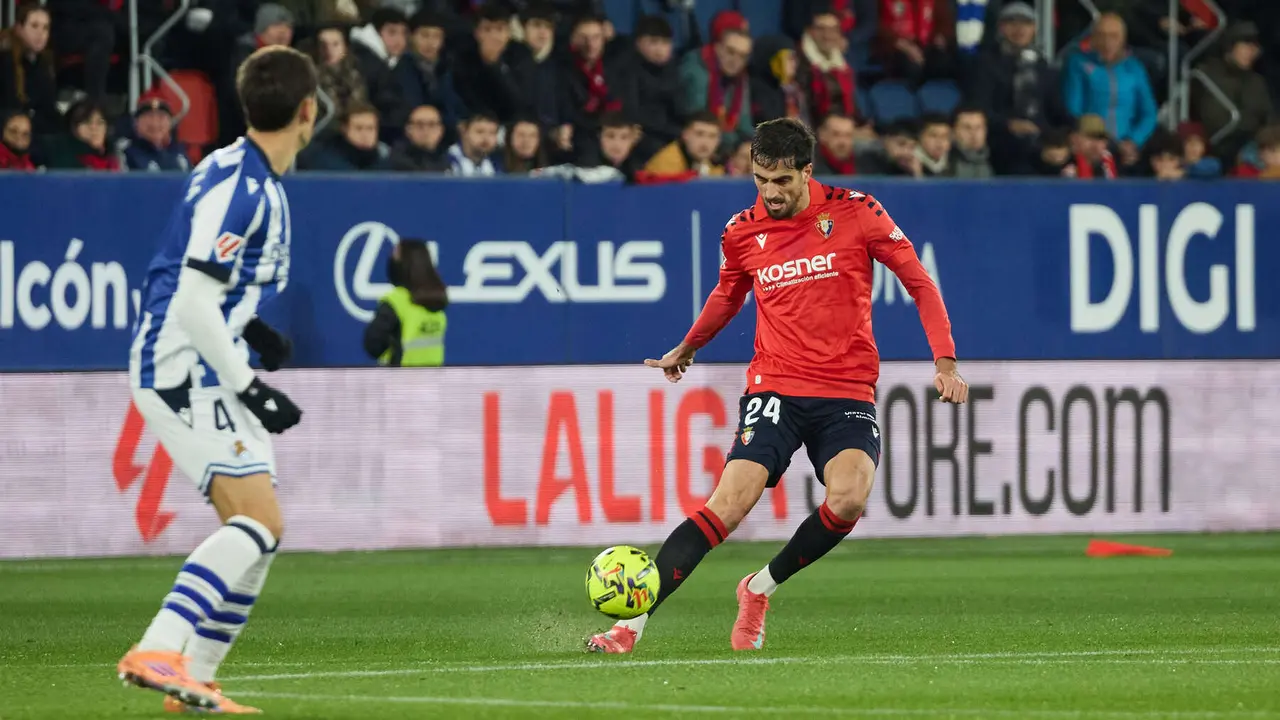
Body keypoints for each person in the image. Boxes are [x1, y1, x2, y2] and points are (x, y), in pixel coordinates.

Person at [587, 117, 968, 654]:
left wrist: (945, 363)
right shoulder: (742, 231)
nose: (770, 193)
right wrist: (689, 346)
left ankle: (759, 587)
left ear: (807, 172)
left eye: (782, 181)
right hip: (775, 387)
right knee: (729, 502)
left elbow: (919, 283)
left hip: (846, 390)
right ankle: (629, 627)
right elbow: (727, 295)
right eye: (760, 180)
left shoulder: (858, 212)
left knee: (849, 499)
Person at [116, 45, 317, 714]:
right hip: (183, 367)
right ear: (309, 111)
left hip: (207, 358)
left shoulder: (235, 169)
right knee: (257, 521)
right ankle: (159, 649)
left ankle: (193, 677)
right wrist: (250, 384)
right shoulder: (244, 188)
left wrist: (250, 330)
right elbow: (193, 301)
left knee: (262, 529)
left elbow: (204, 280)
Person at [363, 239, 449, 367]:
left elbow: (373, 345)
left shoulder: (396, 300)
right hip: (433, 376)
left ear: (405, 264)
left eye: (394, 256)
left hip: (400, 377)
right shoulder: (437, 299)